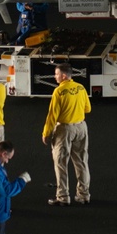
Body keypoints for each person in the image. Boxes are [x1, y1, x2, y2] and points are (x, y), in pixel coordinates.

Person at [42, 62, 91, 206]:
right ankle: (84, 195)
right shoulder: (80, 88)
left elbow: (52, 116)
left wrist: (46, 133)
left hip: (65, 129)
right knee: (81, 161)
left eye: (57, 74)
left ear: (64, 76)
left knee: (61, 163)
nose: (55, 77)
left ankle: (63, 196)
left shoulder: (59, 92)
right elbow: (87, 109)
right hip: (81, 127)